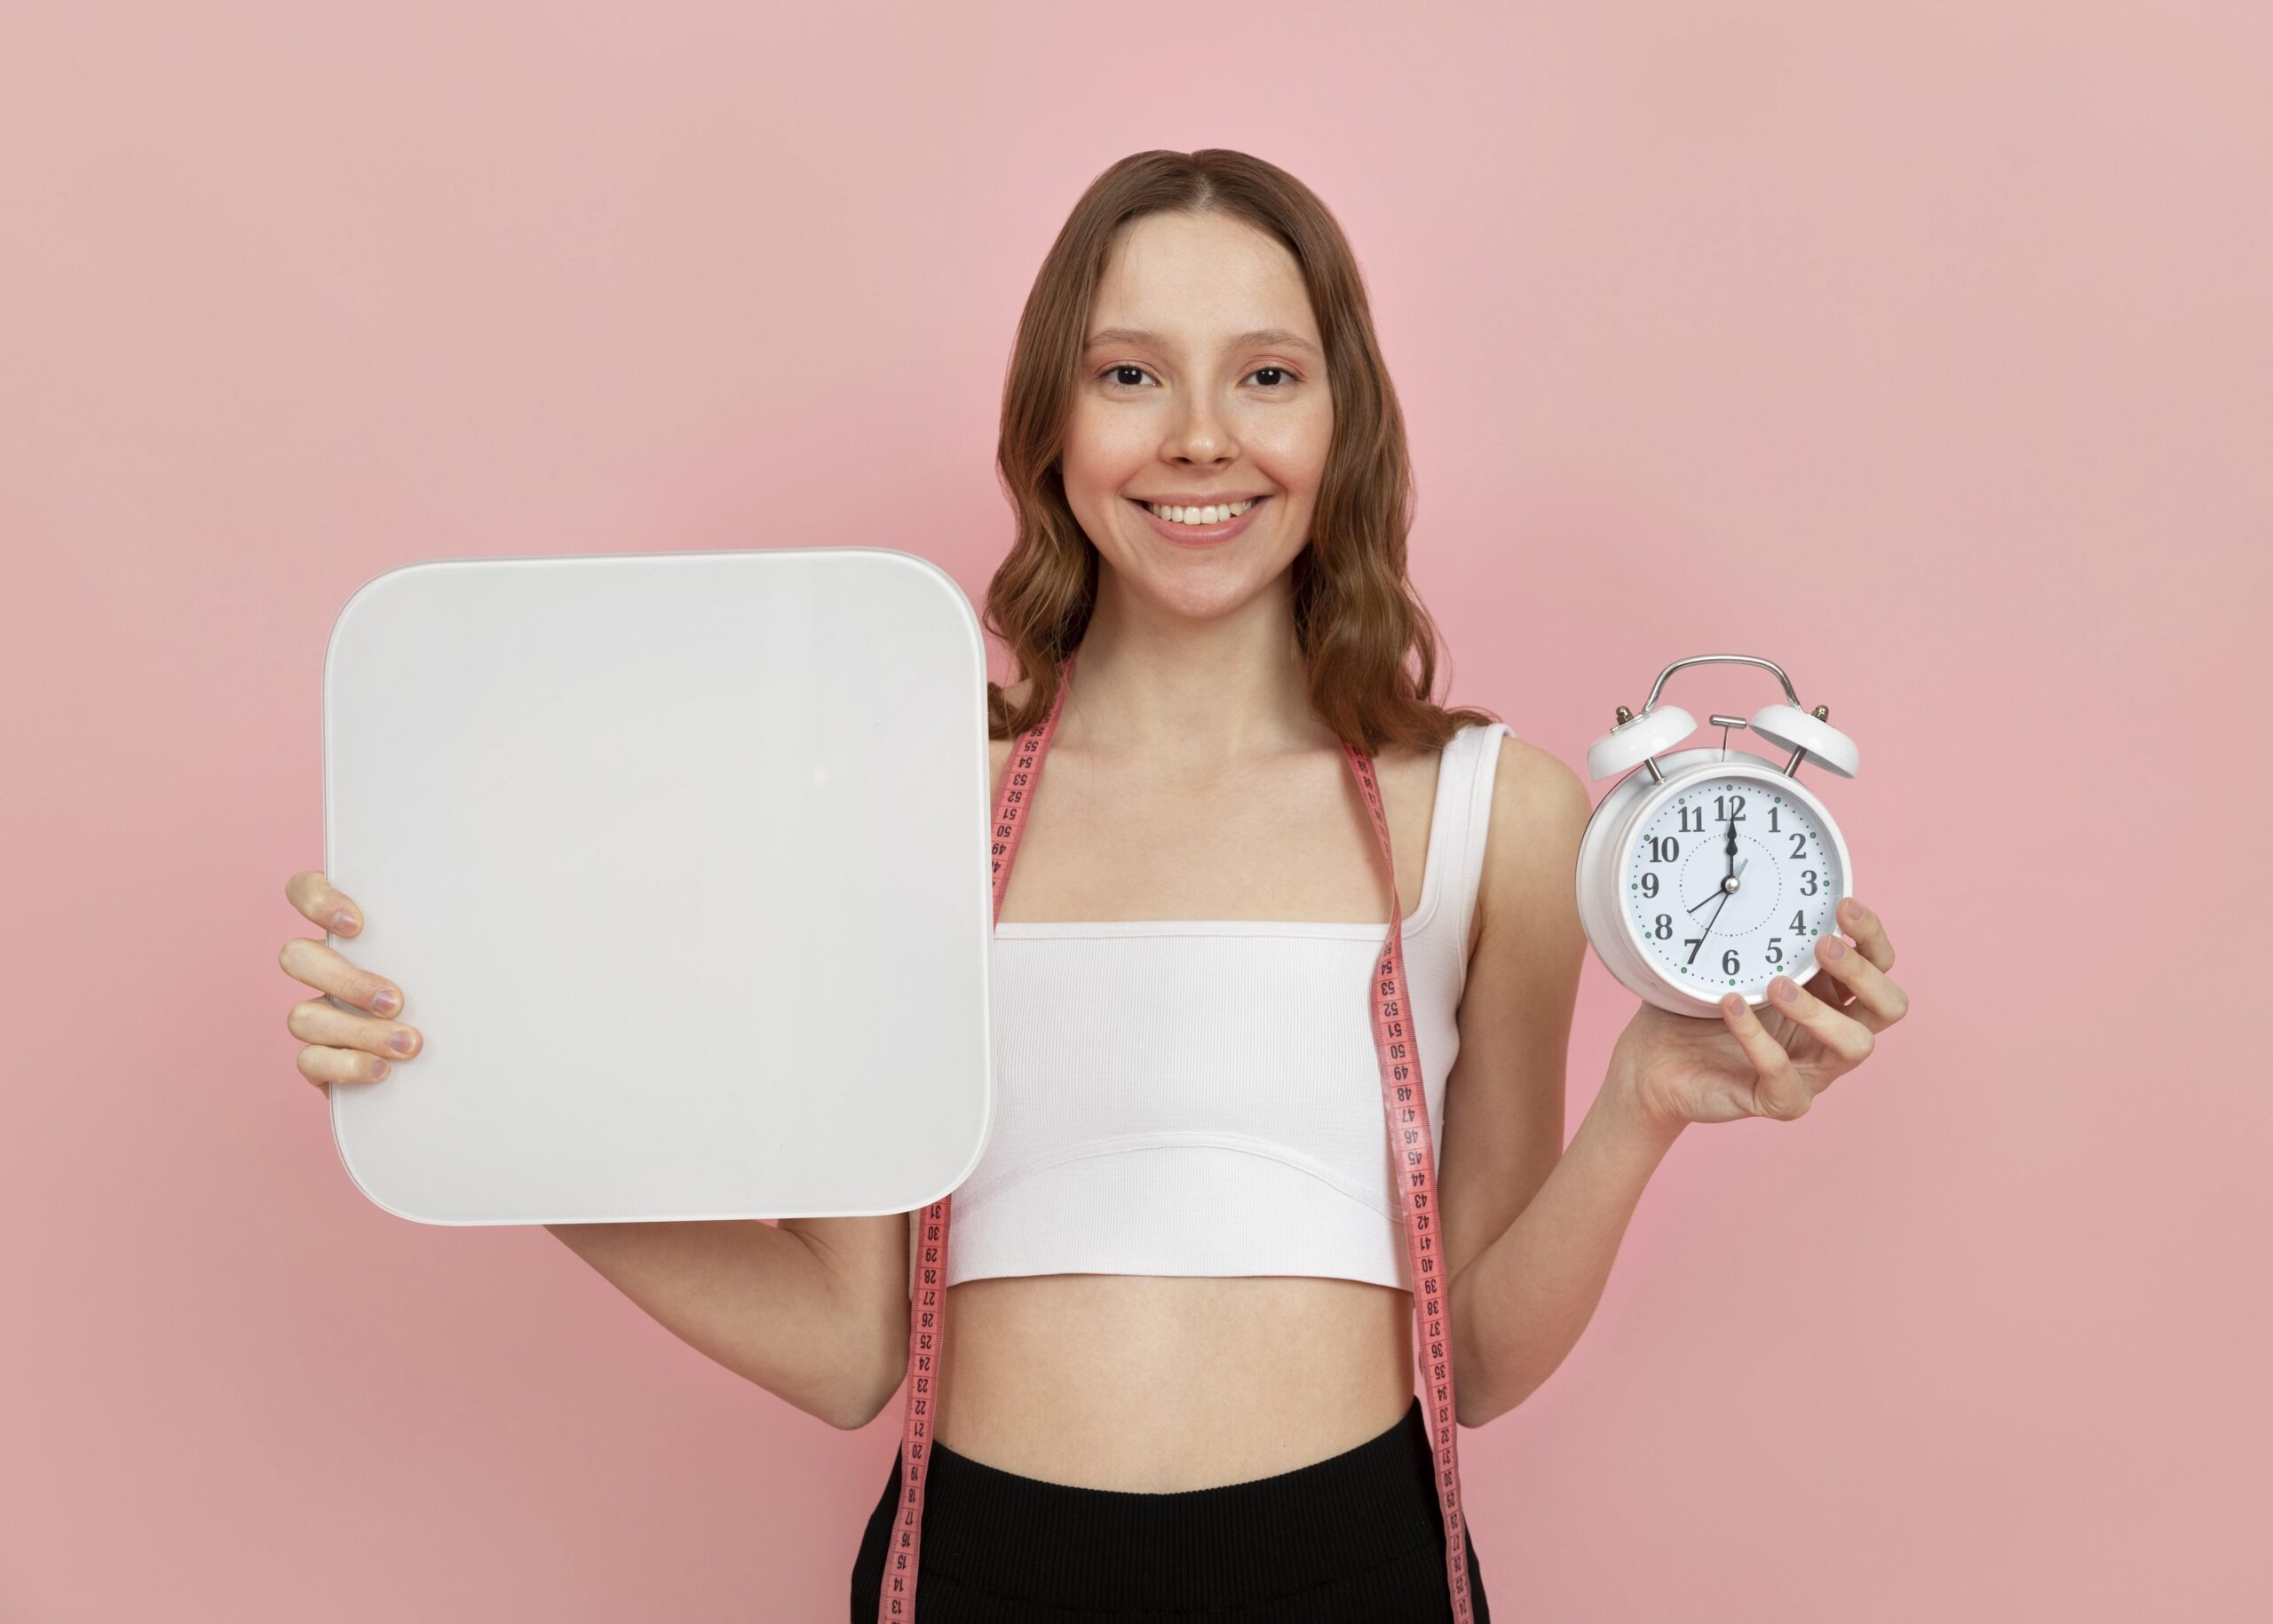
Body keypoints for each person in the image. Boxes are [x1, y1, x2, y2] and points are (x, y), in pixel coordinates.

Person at [277, 148, 1909, 1622]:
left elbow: (1471, 1359)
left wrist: (1643, 1100)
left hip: (1351, 1567)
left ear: (1343, 422)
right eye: (1129, 372)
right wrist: (495, 1120)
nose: (1200, 434)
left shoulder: (1496, 812)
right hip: (980, 1568)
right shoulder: (907, 799)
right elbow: (854, 1350)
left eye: (1266, 374)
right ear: (1053, 424)